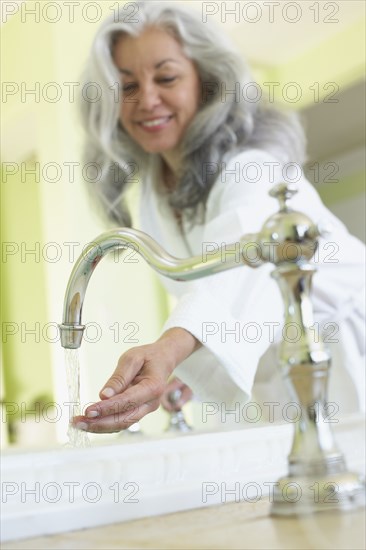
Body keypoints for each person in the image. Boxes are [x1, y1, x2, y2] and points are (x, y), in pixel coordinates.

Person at [72, 1, 365, 433]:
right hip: (279, 372)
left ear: (205, 81)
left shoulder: (253, 165)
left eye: (166, 77)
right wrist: (185, 366)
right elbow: (218, 301)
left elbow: (241, 263)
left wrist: (170, 350)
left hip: (345, 347)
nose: (147, 100)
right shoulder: (156, 187)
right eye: (127, 85)